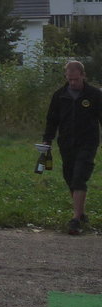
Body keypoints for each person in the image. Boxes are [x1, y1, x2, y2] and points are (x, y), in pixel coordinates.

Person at [42, 60, 102, 235]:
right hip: (66, 143)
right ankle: (82, 213)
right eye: (70, 79)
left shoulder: (94, 95)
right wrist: (47, 139)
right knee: (69, 177)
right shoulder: (59, 95)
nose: (73, 83)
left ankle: (75, 219)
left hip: (88, 142)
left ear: (83, 75)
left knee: (79, 177)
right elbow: (52, 120)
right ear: (66, 77)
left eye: (76, 79)